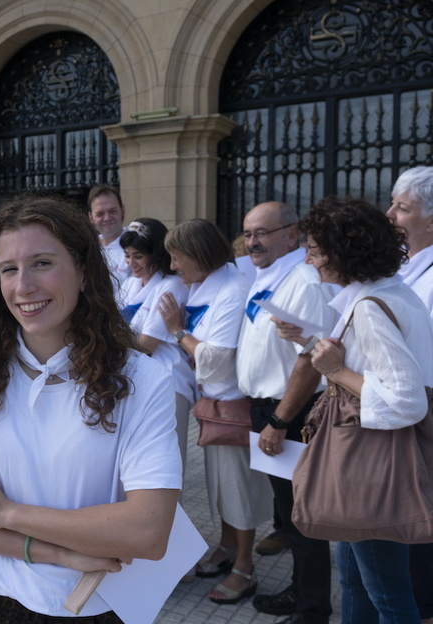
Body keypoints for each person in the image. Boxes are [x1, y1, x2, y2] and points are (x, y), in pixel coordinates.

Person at [0, 196, 181, 622]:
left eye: (42, 263)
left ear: (83, 271)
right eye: (9, 269)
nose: (23, 286)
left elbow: (148, 530)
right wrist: (55, 551)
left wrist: (6, 513)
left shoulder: (141, 379)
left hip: (96, 604)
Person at [299, 196, 433, 624]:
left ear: (345, 252)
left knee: (387, 594)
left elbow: (404, 400)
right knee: (358, 583)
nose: (308, 259)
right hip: (369, 454)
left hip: (370, 463)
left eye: (316, 250)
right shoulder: (389, 292)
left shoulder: (371, 308)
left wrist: (336, 370)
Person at [159, 219, 271, 605]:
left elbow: (219, 358)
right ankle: (225, 546)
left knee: (238, 487)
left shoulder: (233, 288)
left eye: (177, 258)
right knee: (218, 485)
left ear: (200, 255)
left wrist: (177, 332)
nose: (173, 267)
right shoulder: (206, 283)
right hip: (212, 404)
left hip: (232, 404)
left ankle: (244, 566)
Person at [236, 202, 337, 624]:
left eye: (262, 232)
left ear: (291, 235)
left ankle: (312, 609)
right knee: (290, 514)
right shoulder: (270, 276)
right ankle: (301, 592)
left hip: (289, 412)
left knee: (303, 517)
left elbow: (310, 361)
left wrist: (279, 420)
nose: (252, 241)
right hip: (268, 409)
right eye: (247, 233)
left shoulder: (305, 281)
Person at [384, 166, 433, 624]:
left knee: (420, 543)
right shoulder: (404, 266)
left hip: (420, 418)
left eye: (402, 207)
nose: (391, 214)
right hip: (397, 414)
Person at [118, 218, 193, 478]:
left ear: (156, 254)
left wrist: (113, 342)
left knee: (168, 461)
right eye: (127, 256)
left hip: (169, 382)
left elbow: (147, 344)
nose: (131, 264)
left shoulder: (171, 286)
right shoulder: (129, 284)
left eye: (138, 256)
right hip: (136, 380)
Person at [87, 185, 129, 284]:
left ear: (122, 211)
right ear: (90, 217)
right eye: (100, 214)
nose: (107, 218)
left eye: (112, 211)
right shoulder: (88, 247)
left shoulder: (137, 247)